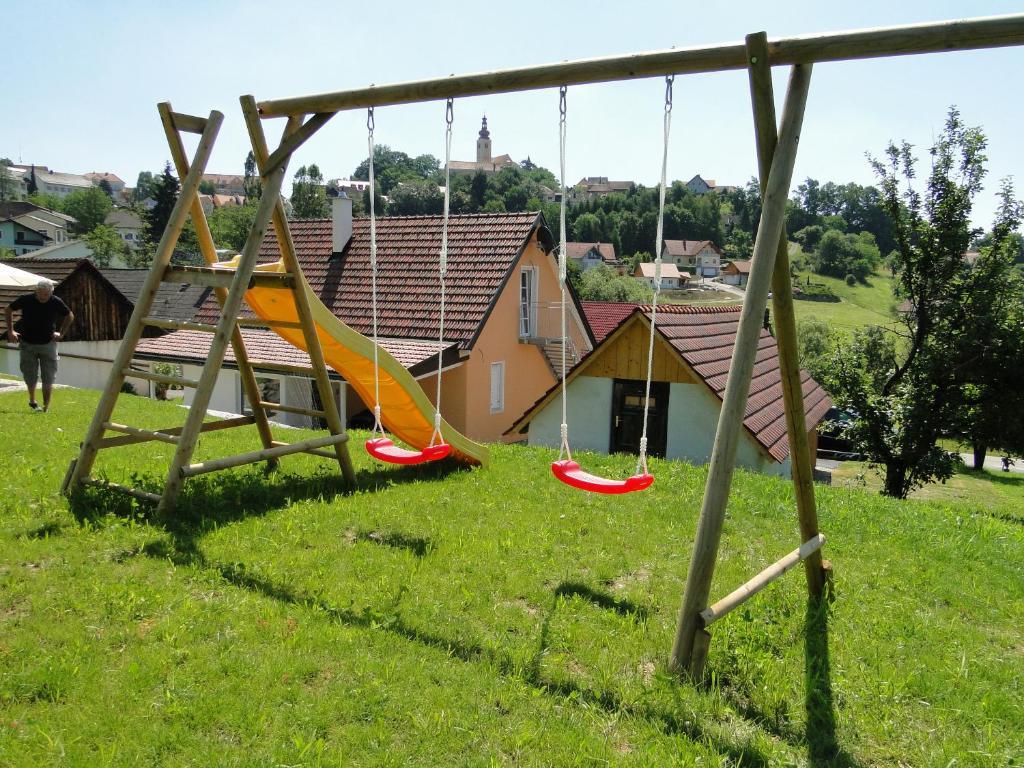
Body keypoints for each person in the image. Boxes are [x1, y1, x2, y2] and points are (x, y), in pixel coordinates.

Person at [4, 279, 74, 412]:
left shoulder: (55, 301)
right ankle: (32, 400)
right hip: (27, 343)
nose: (43, 297)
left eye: (46, 295)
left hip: (48, 344)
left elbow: (69, 315)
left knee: (48, 376)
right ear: (36, 291)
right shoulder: (26, 299)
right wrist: (10, 330)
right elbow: (8, 309)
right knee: (30, 374)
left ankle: (46, 407)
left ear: (50, 293)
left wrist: (62, 333)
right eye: (41, 294)